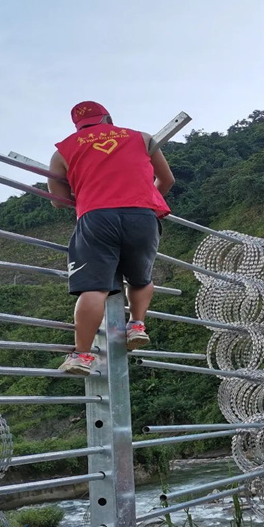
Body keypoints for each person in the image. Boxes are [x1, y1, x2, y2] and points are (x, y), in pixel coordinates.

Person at [48, 101, 175, 375]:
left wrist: (88, 193)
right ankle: (136, 325)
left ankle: (82, 355)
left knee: (94, 287)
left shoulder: (62, 151)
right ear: (107, 118)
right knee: (141, 278)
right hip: (142, 215)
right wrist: (142, 200)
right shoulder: (142, 138)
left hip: (96, 216)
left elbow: (58, 200)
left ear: (78, 126)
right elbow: (166, 181)